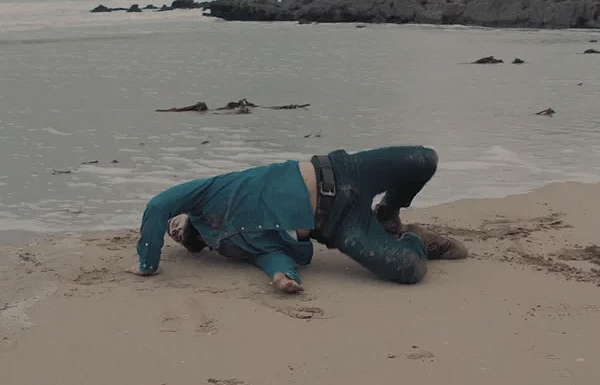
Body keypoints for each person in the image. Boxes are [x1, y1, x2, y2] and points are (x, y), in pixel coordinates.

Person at [127, 146, 468, 293]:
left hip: (343, 170)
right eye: (175, 236)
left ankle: (388, 214)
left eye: (172, 226)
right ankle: (412, 238)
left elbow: (158, 206)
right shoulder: (232, 246)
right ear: (194, 242)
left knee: (424, 159)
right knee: (408, 269)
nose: (173, 230)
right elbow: (270, 255)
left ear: (183, 213)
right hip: (338, 226)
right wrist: (282, 278)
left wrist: (147, 262)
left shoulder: (206, 193)